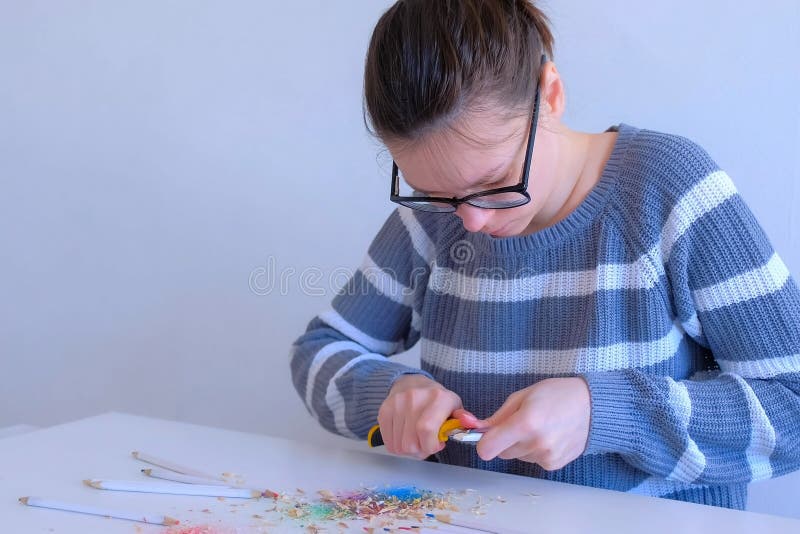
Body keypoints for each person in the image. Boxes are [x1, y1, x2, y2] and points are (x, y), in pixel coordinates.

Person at [290, 0, 800, 509]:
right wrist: (389, 397)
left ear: (550, 95)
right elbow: (319, 350)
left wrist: (606, 413)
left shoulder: (669, 191)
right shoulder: (435, 216)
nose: (471, 221)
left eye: (494, 184)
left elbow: (792, 409)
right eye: (435, 192)